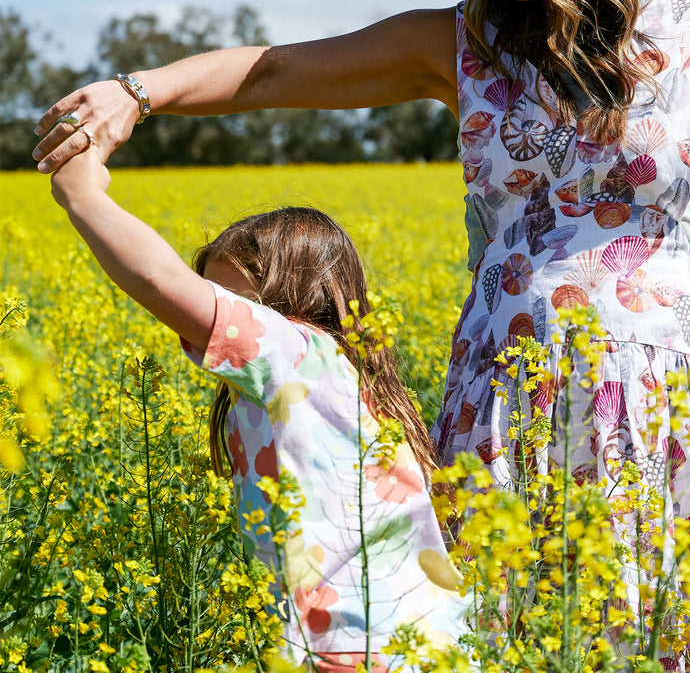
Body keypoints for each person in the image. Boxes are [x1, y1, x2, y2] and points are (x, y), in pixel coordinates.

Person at [36, 0, 690, 666]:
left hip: (663, 393)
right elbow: (280, 71)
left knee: (664, 632)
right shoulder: (462, 42)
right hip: (509, 398)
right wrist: (139, 91)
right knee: (507, 636)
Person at [50, 152, 470, 671]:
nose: (213, 310)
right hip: (411, 641)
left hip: (363, 645)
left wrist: (82, 196)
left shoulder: (292, 352)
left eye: (230, 298)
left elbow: (159, 280)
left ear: (296, 292)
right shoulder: (336, 376)